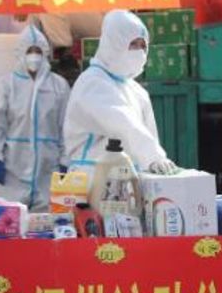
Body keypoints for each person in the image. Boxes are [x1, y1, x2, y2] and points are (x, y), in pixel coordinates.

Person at [63, 10, 178, 175]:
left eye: (143, 46)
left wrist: (155, 163)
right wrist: (153, 156)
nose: (139, 52)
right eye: (133, 44)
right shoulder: (93, 83)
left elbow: (149, 135)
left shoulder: (136, 91)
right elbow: (122, 124)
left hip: (126, 181)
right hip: (89, 178)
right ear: (114, 44)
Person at [0, 25, 70, 211]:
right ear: (20, 52)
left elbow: (66, 127)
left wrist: (65, 161)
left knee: (47, 226)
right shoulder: (6, 85)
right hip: (12, 170)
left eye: (38, 51)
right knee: (9, 223)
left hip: (48, 169)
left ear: (46, 53)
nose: (34, 55)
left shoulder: (59, 86)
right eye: (30, 51)